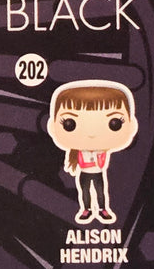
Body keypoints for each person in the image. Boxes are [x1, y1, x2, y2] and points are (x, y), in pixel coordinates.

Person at [47, 81, 138, 224]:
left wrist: (92, 161)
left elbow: (100, 163)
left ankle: (102, 209)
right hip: (85, 174)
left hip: (97, 173)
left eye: (114, 123)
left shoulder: (102, 151)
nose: (91, 134)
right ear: (52, 127)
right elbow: (84, 163)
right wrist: (91, 162)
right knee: (85, 192)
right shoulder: (80, 152)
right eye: (69, 124)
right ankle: (87, 209)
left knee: (100, 191)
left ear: (131, 126)